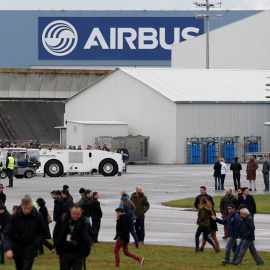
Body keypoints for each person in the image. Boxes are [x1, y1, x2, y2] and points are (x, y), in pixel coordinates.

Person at [4, 197, 46, 270]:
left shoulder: (37, 216)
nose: (27, 210)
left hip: (31, 248)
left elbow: (42, 233)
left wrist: (35, 244)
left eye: (29, 208)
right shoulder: (15, 217)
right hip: (18, 249)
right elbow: (8, 234)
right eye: (25, 208)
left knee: (26, 268)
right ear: (22, 206)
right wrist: (8, 249)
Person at [53, 203, 93, 270]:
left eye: (78, 214)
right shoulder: (63, 219)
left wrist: (84, 252)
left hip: (78, 253)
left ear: (82, 212)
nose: (75, 216)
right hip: (64, 253)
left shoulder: (85, 222)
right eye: (73, 213)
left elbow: (90, 237)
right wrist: (59, 249)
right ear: (70, 210)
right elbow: (56, 233)